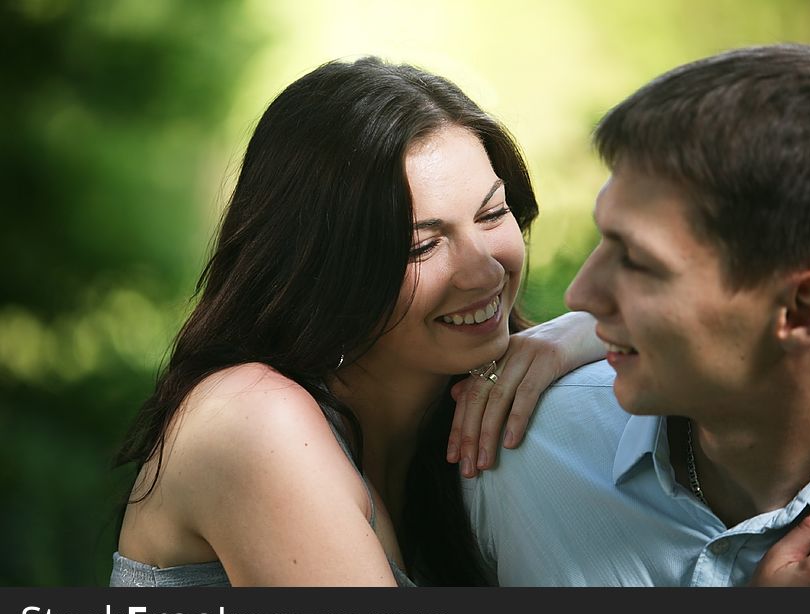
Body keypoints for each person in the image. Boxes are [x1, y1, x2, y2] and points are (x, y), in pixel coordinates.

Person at [108, 56, 607, 587]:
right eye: (422, 245)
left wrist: (587, 333)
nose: (484, 270)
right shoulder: (253, 419)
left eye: (491, 214)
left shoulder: (466, 415)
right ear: (322, 269)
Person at [463, 43, 810, 586]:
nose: (580, 295)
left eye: (637, 260)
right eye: (603, 239)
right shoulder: (516, 453)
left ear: (801, 313)